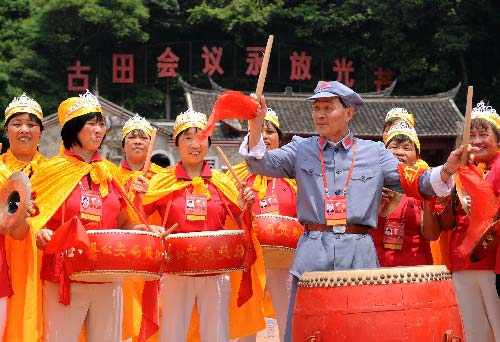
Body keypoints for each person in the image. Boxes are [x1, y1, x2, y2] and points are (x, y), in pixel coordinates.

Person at [239, 80, 469, 342]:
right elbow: (258, 163)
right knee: (306, 331)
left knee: (362, 329)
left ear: (349, 112)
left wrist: (448, 169)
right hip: (312, 252)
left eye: (328, 107)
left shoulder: (375, 153)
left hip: (359, 250)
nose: (320, 114)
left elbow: (416, 181)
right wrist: (256, 124)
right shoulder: (300, 149)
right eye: (316, 108)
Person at [30, 90, 162, 342]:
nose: (98, 129)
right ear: (73, 128)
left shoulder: (109, 173)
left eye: (101, 123)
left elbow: (122, 221)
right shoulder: (51, 170)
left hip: (108, 276)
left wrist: (142, 230)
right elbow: (35, 218)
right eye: (91, 123)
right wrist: (41, 232)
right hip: (64, 276)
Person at [142, 108, 265, 342]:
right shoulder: (162, 181)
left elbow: (242, 224)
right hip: (175, 271)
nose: (194, 144)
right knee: (171, 334)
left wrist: (245, 206)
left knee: (216, 335)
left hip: (216, 272)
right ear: (177, 143)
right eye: (187, 137)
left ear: (208, 142)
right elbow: (138, 218)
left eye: (200, 137)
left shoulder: (222, 182)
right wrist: (138, 199)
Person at [229, 108, 298, 342]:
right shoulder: (236, 177)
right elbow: (228, 220)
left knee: (288, 319)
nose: (265, 136)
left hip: (286, 259)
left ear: (280, 138)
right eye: (259, 131)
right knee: (247, 319)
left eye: (270, 132)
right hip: (250, 259)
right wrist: (241, 207)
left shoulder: (294, 176)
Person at [436, 101, 500, 341]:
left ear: (498, 140)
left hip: (492, 261)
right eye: (470, 135)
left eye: (483, 134)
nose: (476, 140)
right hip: (461, 262)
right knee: (473, 333)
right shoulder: (459, 171)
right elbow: (449, 223)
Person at [2, 92, 47, 341]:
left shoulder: (55, 172)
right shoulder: (0, 170)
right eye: (17, 124)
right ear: (7, 130)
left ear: (40, 132)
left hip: (41, 258)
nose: (24, 130)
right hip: (3, 256)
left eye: (31, 124)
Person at [372, 121, 441, 266]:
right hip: (373, 267)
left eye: (407, 148)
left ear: (417, 157)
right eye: (394, 147)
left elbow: (431, 235)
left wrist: (428, 200)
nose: (399, 152)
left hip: (411, 270)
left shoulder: (423, 188)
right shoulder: (369, 183)